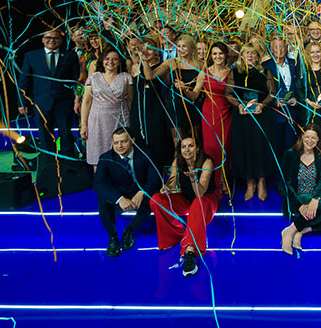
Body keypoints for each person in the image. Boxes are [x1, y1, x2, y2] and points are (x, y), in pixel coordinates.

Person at [149, 136, 220, 277]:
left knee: (197, 203)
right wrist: (167, 188)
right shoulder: (178, 161)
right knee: (156, 199)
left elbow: (200, 193)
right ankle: (172, 236)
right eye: (183, 147)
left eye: (190, 146)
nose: (187, 150)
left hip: (206, 201)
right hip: (186, 200)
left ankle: (190, 250)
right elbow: (172, 182)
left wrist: (193, 179)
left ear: (197, 148)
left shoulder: (207, 162)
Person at [93, 128, 162, 257]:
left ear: (132, 140)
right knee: (102, 200)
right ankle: (113, 237)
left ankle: (130, 230)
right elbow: (98, 184)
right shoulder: (106, 158)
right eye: (116, 143)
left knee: (153, 196)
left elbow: (155, 179)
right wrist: (119, 199)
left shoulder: (146, 154)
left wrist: (141, 193)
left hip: (139, 191)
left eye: (123, 142)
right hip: (119, 192)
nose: (119, 146)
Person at [279, 125, 321, 254]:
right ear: (302, 137)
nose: (310, 140)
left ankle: (300, 230)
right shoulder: (291, 154)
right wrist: (299, 206)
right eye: (307, 137)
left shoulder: (320, 155)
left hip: (315, 197)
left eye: (313, 138)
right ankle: (289, 232)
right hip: (296, 198)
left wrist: (316, 198)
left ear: (318, 139)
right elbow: (285, 184)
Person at [17, 28, 81, 161]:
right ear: (42, 39)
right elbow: (24, 81)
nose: (52, 40)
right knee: (45, 136)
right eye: (48, 37)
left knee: (66, 134)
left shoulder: (70, 56)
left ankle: (68, 163)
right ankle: (49, 163)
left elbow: (75, 79)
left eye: (55, 38)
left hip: (64, 103)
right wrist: (22, 102)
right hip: (41, 103)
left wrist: (77, 100)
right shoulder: (31, 56)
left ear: (61, 40)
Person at [228, 43, 274, 200]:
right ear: (241, 55)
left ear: (257, 56)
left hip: (261, 117)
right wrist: (239, 105)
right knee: (245, 147)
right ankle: (250, 183)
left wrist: (262, 105)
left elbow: (272, 93)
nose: (250, 56)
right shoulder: (234, 72)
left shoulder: (265, 72)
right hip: (242, 118)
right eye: (247, 53)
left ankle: (261, 182)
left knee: (260, 148)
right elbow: (228, 94)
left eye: (253, 53)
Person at [186, 42, 233, 195]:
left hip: (226, 114)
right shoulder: (204, 73)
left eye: (220, 53)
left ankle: (223, 180)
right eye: (214, 54)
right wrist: (185, 90)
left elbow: (233, 94)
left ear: (225, 55)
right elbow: (194, 95)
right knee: (211, 149)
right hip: (209, 116)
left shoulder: (230, 72)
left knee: (225, 148)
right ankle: (212, 182)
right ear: (210, 56)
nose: (218, 56)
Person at [80, 50, 134, 169]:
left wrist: (132, 123)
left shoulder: (126, 77)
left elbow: (130, 100)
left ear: (119, 62)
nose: (110, 62)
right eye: (107, 59)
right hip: (97, 121)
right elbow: (86, 101)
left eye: (114, 59)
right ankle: (99, 177)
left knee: (121, 152)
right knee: (97, 155)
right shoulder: (93, 77)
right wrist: (84, 124)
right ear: (102, 61)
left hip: (120, 119)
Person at [129, 37, 174, 175]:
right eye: (143, 48)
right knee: (139, 139)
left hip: (155, 108)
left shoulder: (164, 65)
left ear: (156, 52)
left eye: (149, 49)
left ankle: (159, 175)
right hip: (138, 109)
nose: (146, 51)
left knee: (157, 140)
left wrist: (144, 61)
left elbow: (149, 76)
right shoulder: (135, 67)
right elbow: (132, 92)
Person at [263, 37, 304, 167]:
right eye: (276, 47)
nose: (279, 50)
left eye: (282, 47)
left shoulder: (293, 63)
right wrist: (273, 101)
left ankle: (290, 173)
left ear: (286, 49)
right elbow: (263, 90)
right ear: (271, 49)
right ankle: (277, 175)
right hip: (275, 113)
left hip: (292, 112)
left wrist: (296, 98)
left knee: (292, 146)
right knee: (276, 147)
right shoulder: (265, 66)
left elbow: (299, 85)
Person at [154, 34, 203, 141]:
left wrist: (185, 88)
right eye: (179, 46)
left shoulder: (200, 65)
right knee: (177, 140)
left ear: (191, 48)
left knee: (195, 139)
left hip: (192, 106)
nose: (181, 49)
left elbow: (195, 95)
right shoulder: (172, 62)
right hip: (175, 106)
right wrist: (144, 60)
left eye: (184, 46)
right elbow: (151, 76)